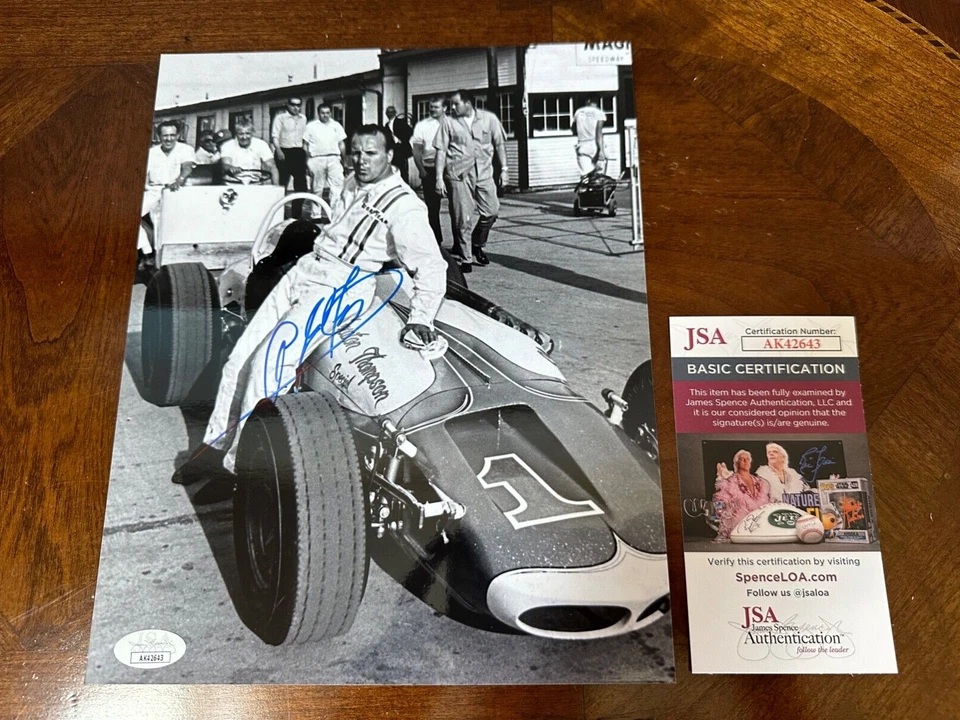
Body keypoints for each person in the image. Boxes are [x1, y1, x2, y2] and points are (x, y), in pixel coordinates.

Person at [172, 125, 448, 488]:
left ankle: (240, 470)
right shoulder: (351, 181)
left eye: (371, 154)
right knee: (239, 358)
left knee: (267, 368)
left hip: (342, 285)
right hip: (308, 269)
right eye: (356, 152)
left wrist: (421, 316)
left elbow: (431, 266)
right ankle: (215, 448)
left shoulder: (405, 206)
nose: (362, 161)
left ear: (390, 156)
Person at [433, 89, 508, 272]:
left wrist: (504, 170)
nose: (452, 107)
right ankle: (466, 258)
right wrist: (438, 178)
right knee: (462, 218)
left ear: (468, 103)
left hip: (484, 173)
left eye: (456, 103)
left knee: (492, 211)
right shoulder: (448, 122)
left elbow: (499, 144)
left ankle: (477, 243)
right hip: (458, 175)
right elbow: (441, 151)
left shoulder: (488, 119)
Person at [138, 121, 195, 261]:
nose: (169, 139)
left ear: (178, 135)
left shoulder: (185, 149)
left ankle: (167, 257)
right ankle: (148, 251)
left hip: (177, 190)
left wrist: (179, 180)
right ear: (159, 136)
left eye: (172, 135)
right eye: (165, 136)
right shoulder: (151, 153)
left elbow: (187, 167)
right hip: (154, 191)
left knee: (166, 222)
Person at [711, 450, 773, 542]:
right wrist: (723, 521)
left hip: (760, 530)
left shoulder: (761, 483)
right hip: (738, 530)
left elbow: (769, 504)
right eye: (742, 459)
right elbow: (719, 503)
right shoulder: (729, 482)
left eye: (747, 459)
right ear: (736, 463)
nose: (745, 461)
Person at [410, 96, 446, 244]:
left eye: (436, 107)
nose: (432, 109)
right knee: (432, 207)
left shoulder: (452, 124)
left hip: (450, 169)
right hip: (429, 168)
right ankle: (436, 242)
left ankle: (460, 244)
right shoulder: (423, 126)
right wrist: (421, 170)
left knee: (457, 209)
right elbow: (417, 150)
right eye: (431, 107)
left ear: (444, 108)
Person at [302, 102, 348, 214]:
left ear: (330, 113)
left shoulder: (336, 125)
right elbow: (305, 145)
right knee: (317, 188)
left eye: (327, 113)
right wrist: (307, 161)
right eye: (322, 113)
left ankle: (334, 214)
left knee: (337, 187)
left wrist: (345, 161)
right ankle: (316, 214)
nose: (325, 115)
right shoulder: (311, 126)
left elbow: (341, 144)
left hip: (334, 158)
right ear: (318, 113)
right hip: (316, 159)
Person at [271, 97, 308, 217]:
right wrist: (279, 151)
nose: (296, 108)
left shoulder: (303, 119)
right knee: (282, 186)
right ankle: (279, 215)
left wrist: (306, 155)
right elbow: (275, 136)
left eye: (298, 105)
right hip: (284, 152)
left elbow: (305, 138)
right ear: (288, 105)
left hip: (298, 153)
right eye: (293, 105)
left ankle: (296, 215)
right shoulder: (280, 118)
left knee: (302, 186)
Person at [220, 121, 279, 186]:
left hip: (255, 183)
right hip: (233, 183)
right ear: (236, 134)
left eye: (247, 133)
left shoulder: (261, 144)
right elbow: (225, 164)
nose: (244, 137)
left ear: (252, 133)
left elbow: (272, 166)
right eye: (241, 134)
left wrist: (276, 187)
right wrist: (230, 167)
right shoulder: (227, 145)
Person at [571, 97, 607, 177]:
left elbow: (573, 129)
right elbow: (599, 133)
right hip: (594, 145)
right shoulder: (599, 113)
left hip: (582, 144)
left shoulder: (578, 112)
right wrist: (601, 150)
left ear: (587, 101)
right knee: (598, 177)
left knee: (585, 176)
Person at [384, 106, 413, 184]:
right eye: (388, 112)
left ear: (395, 113)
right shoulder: (386, 125)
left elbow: (409, 132)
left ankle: (405, 186)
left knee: (403, 170)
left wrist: (401, 140)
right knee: (394, 169)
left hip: (401, 149)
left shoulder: (401, 122)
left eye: (391, 112)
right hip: (393, 150)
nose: (390, 114)